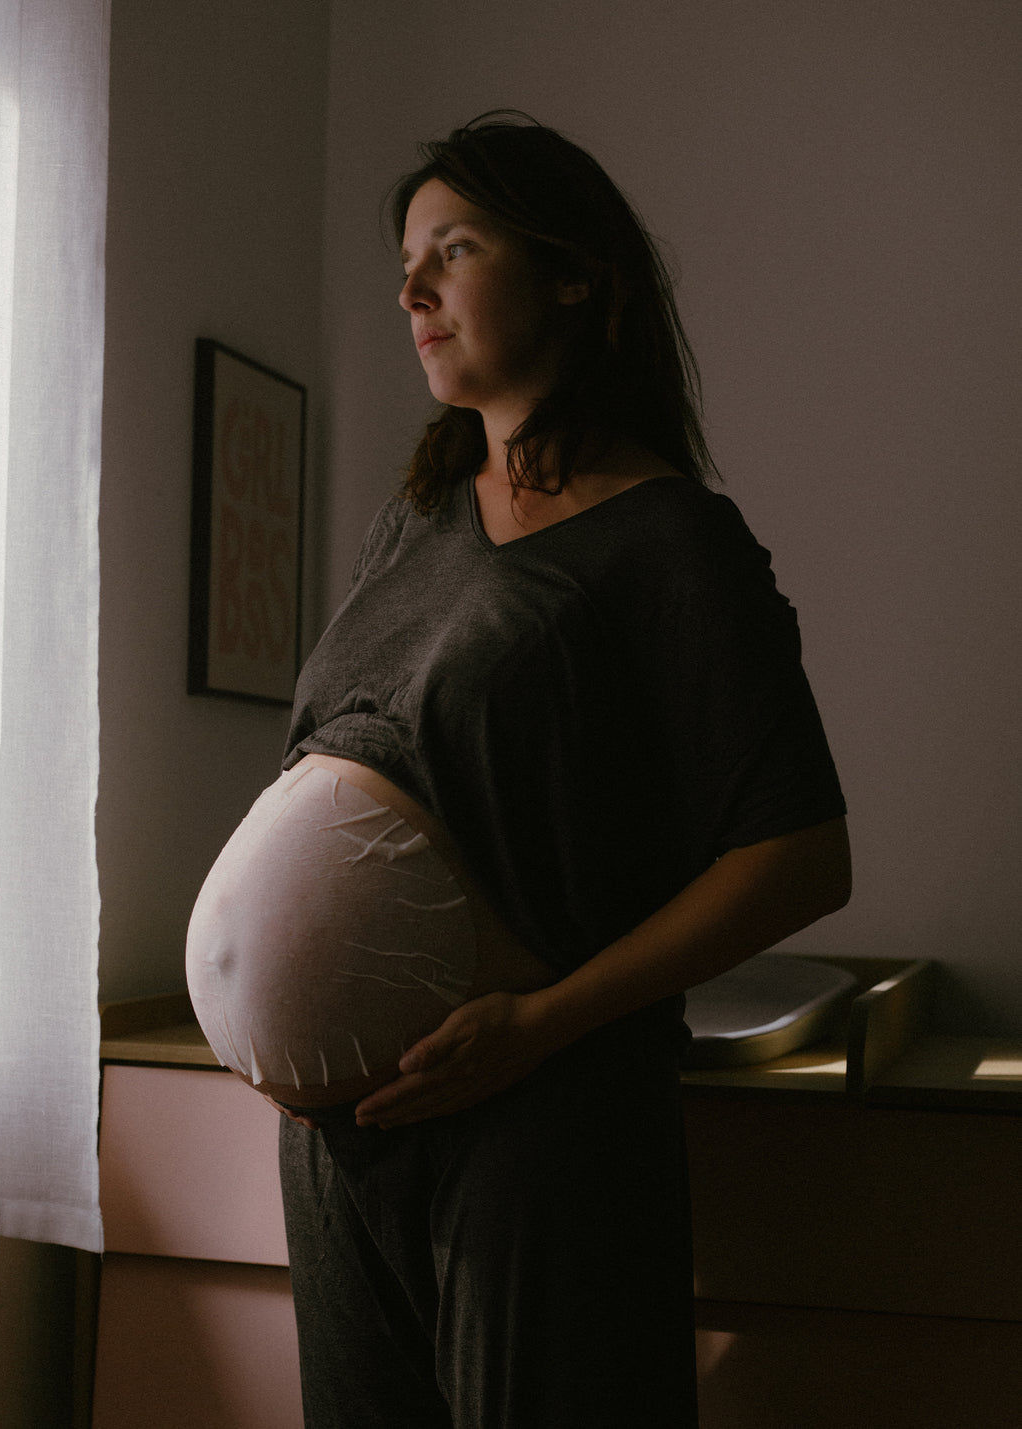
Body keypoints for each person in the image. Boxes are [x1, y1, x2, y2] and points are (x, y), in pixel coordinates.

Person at [186, 111, 850, 1428]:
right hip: (341, 1145)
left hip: (534, 1124)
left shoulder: (672, 542)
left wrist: (535, 1025)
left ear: (571, 275)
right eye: (406, 258)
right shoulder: (416, 524)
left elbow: (799, 854)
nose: (411, 287)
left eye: (455, 247)